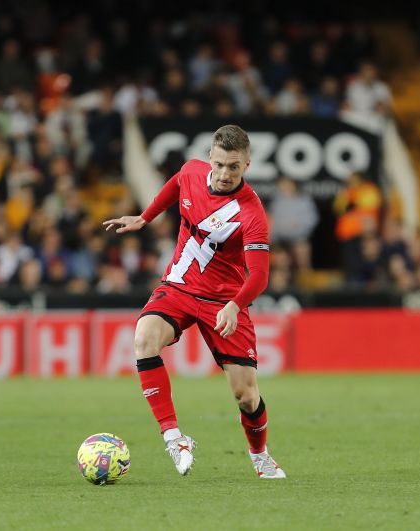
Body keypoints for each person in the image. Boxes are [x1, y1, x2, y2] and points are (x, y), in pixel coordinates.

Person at [102, 125, 286, 479]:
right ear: (209, 158)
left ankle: (260, 455)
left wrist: (234, 305)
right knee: (143, 338)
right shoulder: (191, 171)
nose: (223, 174)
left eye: (233, 167)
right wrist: (145, 217)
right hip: (179, 288)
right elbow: (175, 185)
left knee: (245, 396)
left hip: (224, 301)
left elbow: (259, 276)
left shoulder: (251, 213)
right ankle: (175, 437)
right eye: (218, 164)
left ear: (247, 165)